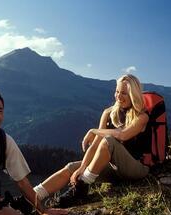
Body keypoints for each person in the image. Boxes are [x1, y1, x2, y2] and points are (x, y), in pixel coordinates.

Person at [33, 74, 150, 207]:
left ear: (133, 95)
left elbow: (122, 135)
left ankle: (80, 189)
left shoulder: (142, 117)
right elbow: (95, 146)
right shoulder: (108, 113)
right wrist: (82, 167)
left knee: (109, 140)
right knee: (72, 167)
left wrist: (93, 131)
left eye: (124, 93)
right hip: (115, 171)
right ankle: (31, 197)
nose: (118, 96)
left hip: (136, 169)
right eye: (117, 91)